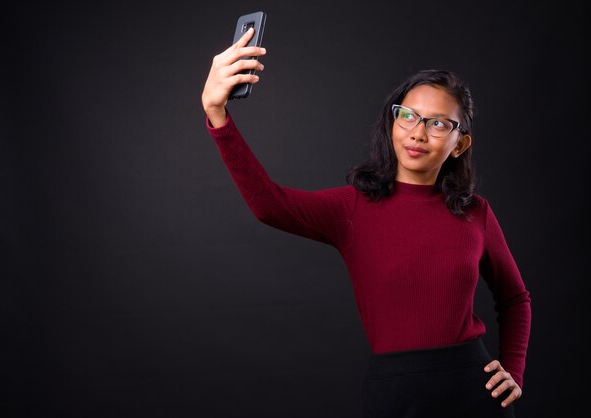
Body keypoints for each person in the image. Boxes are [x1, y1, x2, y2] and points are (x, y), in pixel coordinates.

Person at [201, 27, 531, 418]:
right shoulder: (353, 208)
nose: (418, 133)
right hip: (395, 394)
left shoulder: (476, 212)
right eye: (407, 116)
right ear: (392, 123)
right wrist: (217, 115)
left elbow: (515, 299)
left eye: (438, 123)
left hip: (475, 394)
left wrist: (514, 371)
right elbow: (270, 205)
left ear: (459, 144)